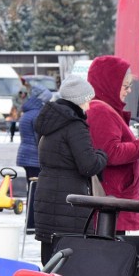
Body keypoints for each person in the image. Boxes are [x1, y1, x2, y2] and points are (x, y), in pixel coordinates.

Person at [33, 76, 108, 266]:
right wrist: (102, 155)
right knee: (71, 266)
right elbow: (88, 165)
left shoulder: (49, 123)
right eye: (88, 101)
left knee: (50, 263)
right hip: (69, 203)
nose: (89, 106)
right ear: (79, 100)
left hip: (47, 197)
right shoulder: (74, 126)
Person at [86, 55, 139, 232]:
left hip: (114, 200)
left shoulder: (104, 109)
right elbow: (111, 152)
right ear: (110, 84)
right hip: (111, 201)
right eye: (125, 86)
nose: (128, 91)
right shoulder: (100, 110)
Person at [16, 85, 50, 233]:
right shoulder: (37, 114)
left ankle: (29, 222)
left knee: (31, 189)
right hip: (34, 157)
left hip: (25, 155)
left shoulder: (27, 113)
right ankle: (32, 223)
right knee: (35, 191)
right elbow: (39, 139)